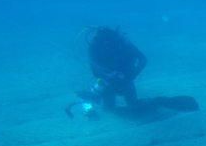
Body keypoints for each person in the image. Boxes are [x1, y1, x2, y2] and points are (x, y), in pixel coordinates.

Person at [66, 27, 198, 119]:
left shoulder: (112, 44)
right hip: (114, 79)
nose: (108, 47)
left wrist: (128, 76)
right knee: (112, 107)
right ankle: (155, 103)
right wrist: (111, 76)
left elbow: (142, 59)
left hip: (124, 77)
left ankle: (158, 103)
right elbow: (96, 70)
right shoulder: (97, 47)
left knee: (128, 105)